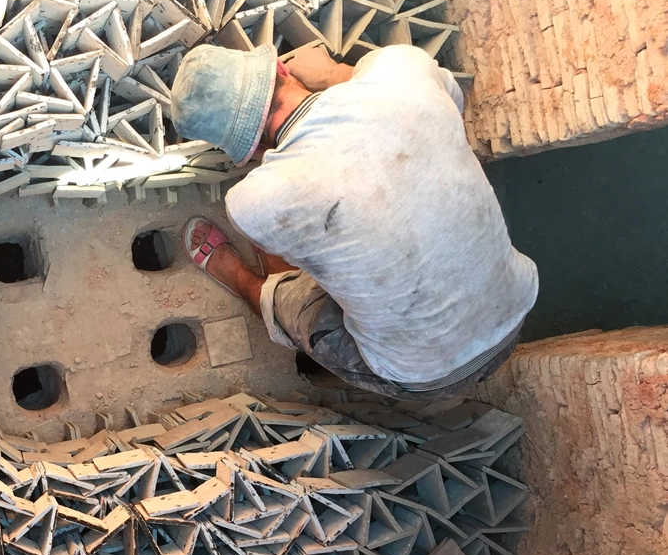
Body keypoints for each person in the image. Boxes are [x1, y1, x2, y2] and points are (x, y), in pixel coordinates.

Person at [170, 42, 539, 398]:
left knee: (296, 300)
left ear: (247, 152)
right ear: (281, 68)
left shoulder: (253, 200)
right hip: (514, 309)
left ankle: (245, 282)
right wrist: (335, 73)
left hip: (429, 376)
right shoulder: (403, 67)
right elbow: (451, 100)